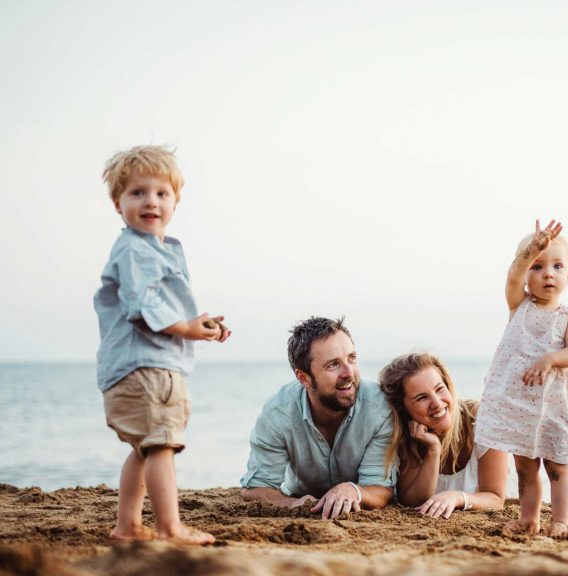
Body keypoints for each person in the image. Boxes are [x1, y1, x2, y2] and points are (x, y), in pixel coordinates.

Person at [95, 145, 230, 545]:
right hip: (147, 368)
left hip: (144, 365)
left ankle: (127, 526)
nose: (150, 201)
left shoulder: (155, 249)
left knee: (145, 447)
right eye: (137, 192)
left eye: (160, 193)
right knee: (161, 447)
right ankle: (170, 528)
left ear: (175, 201)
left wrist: (195, 322)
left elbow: (159, 302)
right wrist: (186, 328)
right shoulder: (135, 248)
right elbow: (142, 305)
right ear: (117, 203)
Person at [474, 219, 568, 539]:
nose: (548, 273)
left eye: (557, 265)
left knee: (557, 466)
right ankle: (528, 519)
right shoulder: (518, 305)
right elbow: (512, 276)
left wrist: (550, 358)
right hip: (519, 405)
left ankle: (560, 519)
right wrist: (527, 252)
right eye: (537, 266)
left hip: (552, 405)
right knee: (525, 468)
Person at [241, 317, 394, 519]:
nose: (349, 373)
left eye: (352, 358)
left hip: (358, 502)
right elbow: (255, 489)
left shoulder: (379, 409)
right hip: (300, 495)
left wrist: (352, 490)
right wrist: (293, 503)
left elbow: (380, 488)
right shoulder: (277, 414)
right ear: (304, 378)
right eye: (333, 365)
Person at [379, 352, 512, 519]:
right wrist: (433, 450)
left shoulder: (482, 419)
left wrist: (456, 497)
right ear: (403, 410)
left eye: (439, 389)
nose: (437, 403)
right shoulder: (407, 436)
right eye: (421, 398)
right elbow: (413, 502)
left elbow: (496, 499)